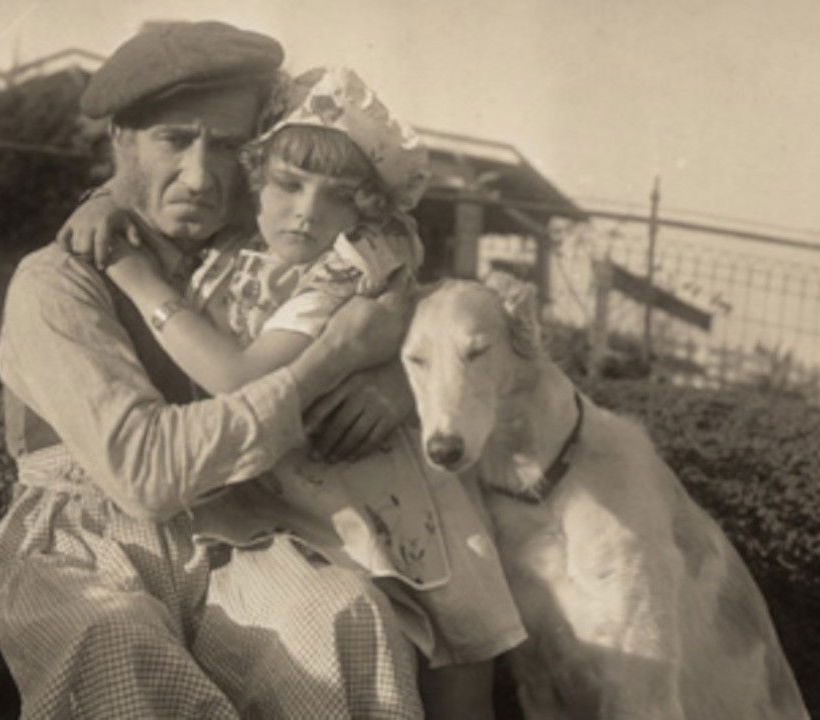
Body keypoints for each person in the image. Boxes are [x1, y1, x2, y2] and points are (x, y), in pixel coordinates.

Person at [0, 21, 425, 719]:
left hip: (232, 536)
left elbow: (405, 275)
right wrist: (331, 361)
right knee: (117, 642)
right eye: (174, 140)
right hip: (82, 543)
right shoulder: (57, 283)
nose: (200, 175)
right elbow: (147, 474)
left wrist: (400, 379)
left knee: (344, 615)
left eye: (225, 146)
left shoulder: (260, 259)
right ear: (121, 140)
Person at [66, 66, 527, 717]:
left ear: (364, 210)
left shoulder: (337, 269)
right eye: (289, 184)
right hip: (283, 484)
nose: (307, 212)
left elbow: (240, 379)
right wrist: (100, 202)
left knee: (457, 634)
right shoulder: (239, 240)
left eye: (336, 197)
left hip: (365, 482)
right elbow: (149, 194)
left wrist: (140, 282)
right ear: (256, 176)